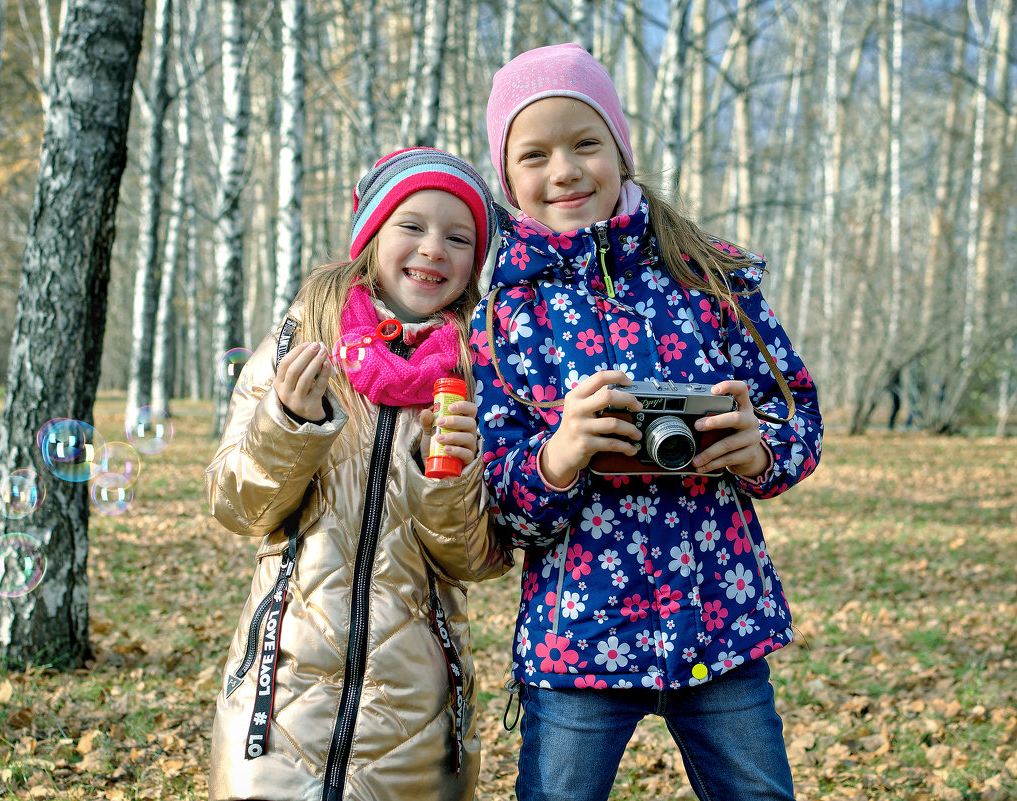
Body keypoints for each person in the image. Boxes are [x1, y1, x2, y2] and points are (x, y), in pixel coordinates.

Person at [471, 44, 823, 801]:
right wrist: (558, 456)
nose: (562, 170)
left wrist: (757, 451)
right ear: (507, 177)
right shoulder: (505, 313)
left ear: (621, 152)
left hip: (718, 619)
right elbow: (492, 498)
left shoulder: (707, 275)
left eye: (584, 143)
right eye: (533, 154)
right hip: (577, 635)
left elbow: (797, 410)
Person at [207, 147, 511, 801]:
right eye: (412, 225)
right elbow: (236, 507)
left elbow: (477, 556)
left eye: (458, 237)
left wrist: (447, 475)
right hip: (278, 703)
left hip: (415, 717)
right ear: (371, 235)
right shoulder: (301, 342)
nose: (433, 248)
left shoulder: (480, 370)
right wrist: (287, 422)